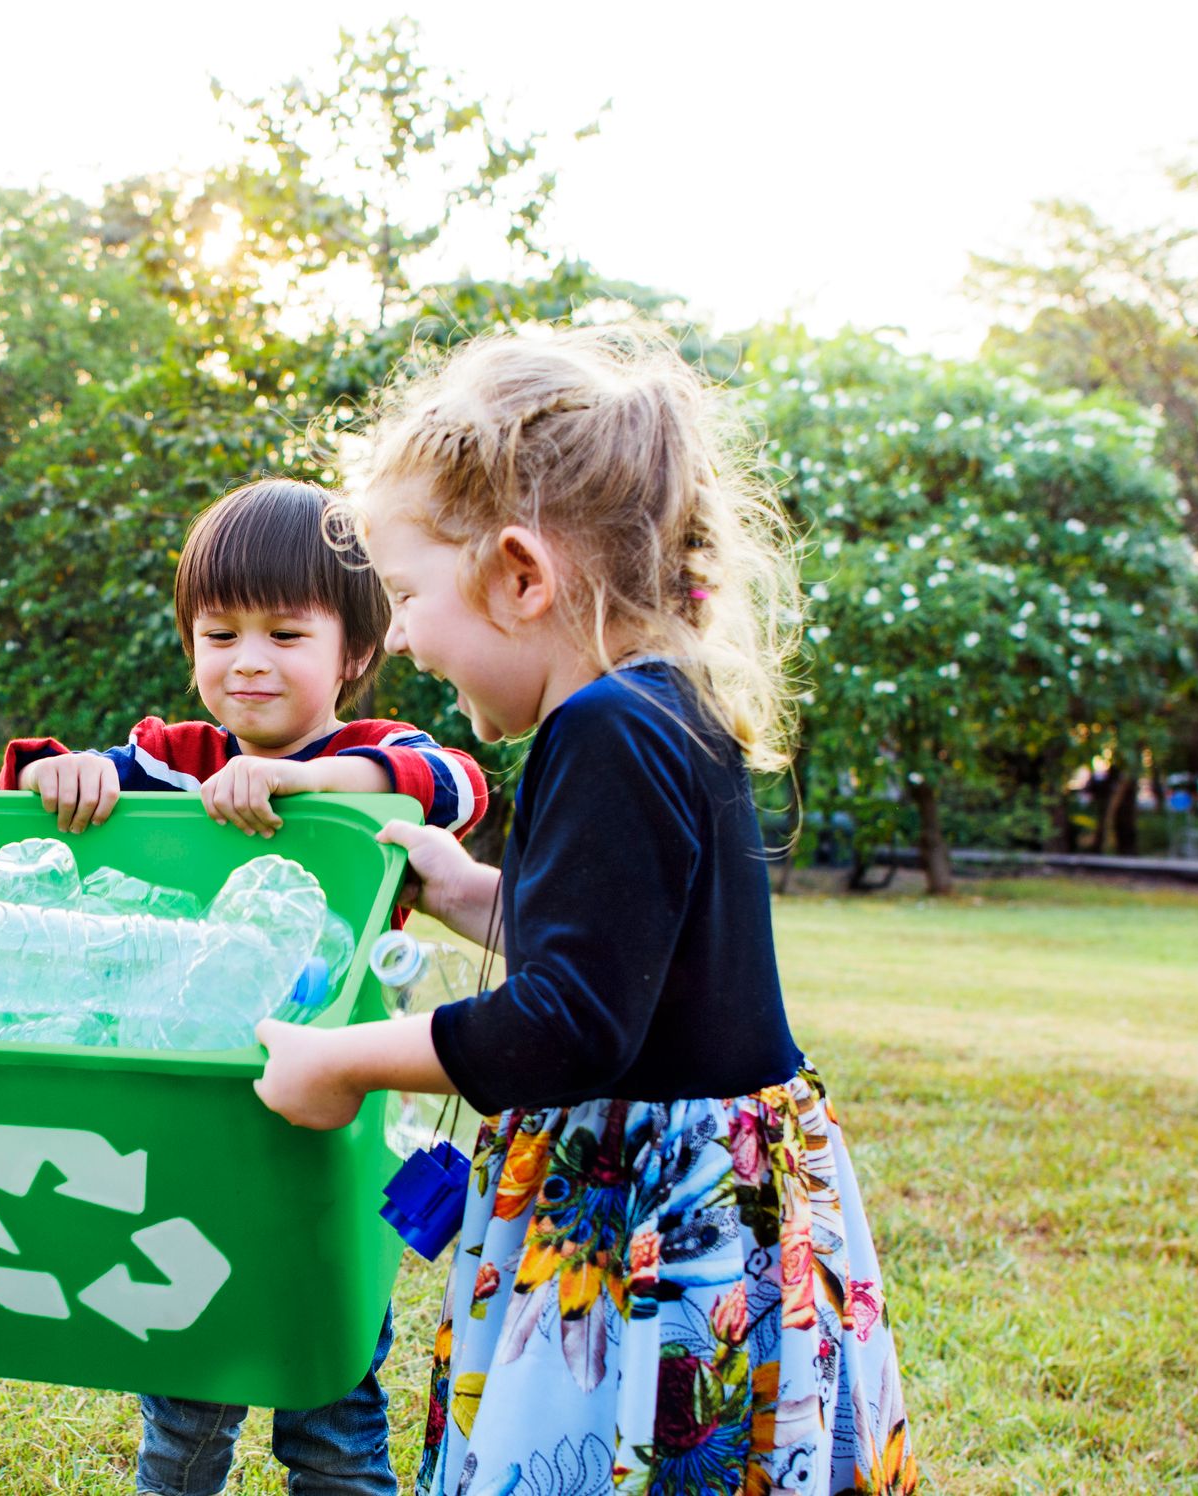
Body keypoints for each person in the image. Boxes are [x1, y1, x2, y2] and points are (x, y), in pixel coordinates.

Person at [252, 330, 918, 1495]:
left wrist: (345, 1061)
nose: (398, 635)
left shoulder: (599, 727)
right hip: (721, 1184)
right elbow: (623, 957)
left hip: (655, 1215)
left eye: (406, 596)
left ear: (519, 574)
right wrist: (462, 889)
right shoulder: (662, 703)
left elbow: (567, 1022)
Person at [0, 477, 489, 1496]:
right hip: (185, 1124)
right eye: (217, 633)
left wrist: (298, 779)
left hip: (329, 1133)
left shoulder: (368, 757)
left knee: (333, 1400)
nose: (247, 660)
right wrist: (68, 775)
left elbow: (447, 781)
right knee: (184, 1387)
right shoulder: (177, 760)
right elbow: (57, 791)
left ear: (353, 651)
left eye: (283, 632)